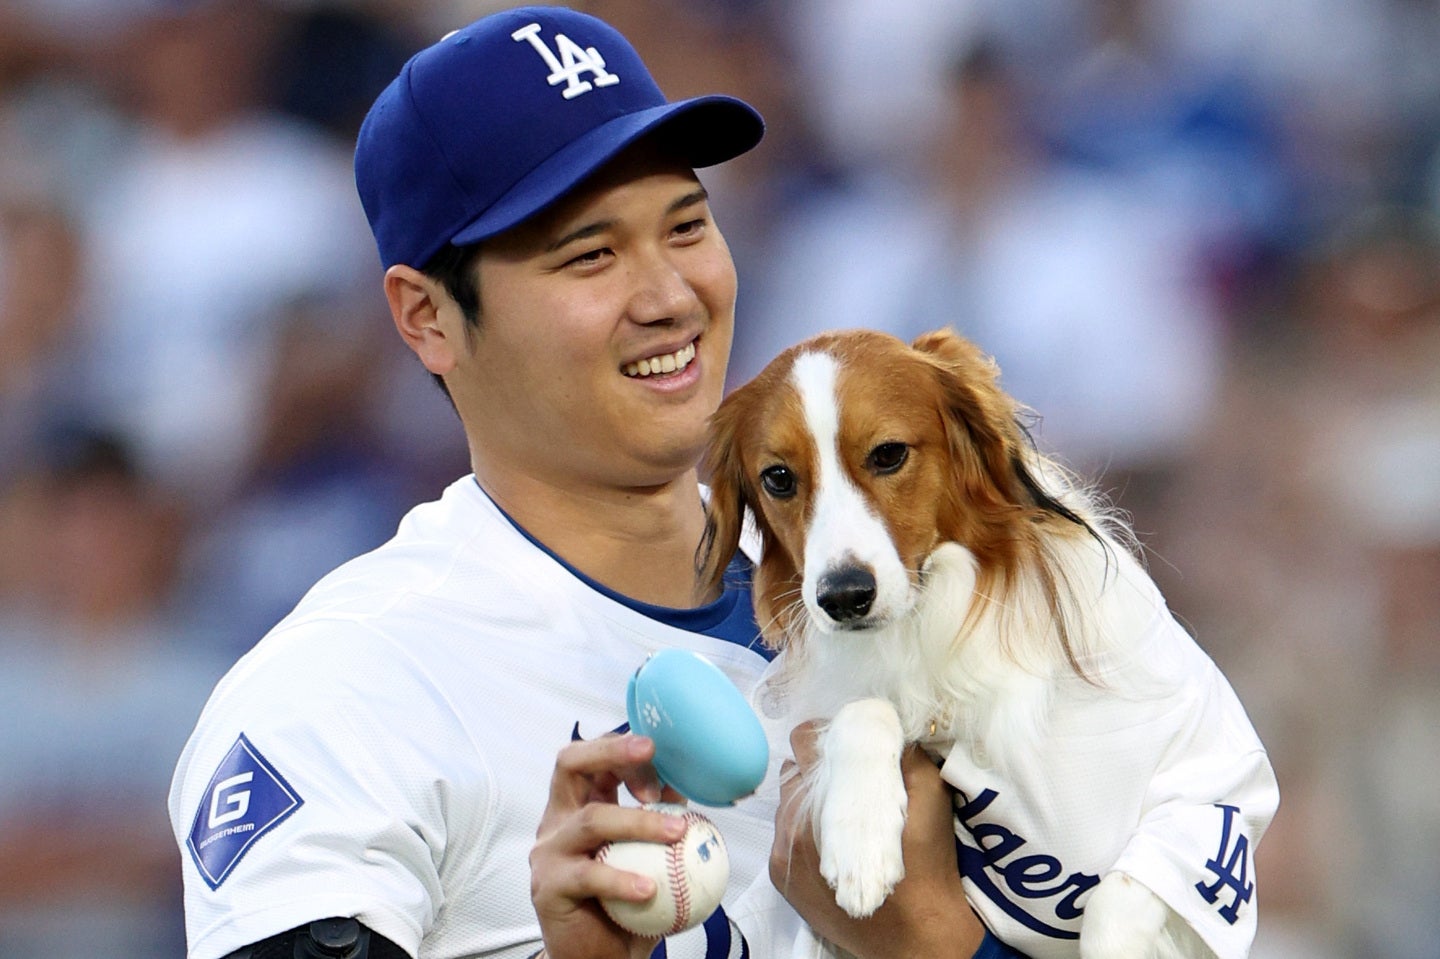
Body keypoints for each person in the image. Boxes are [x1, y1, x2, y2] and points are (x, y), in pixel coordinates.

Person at [168, 7, 1009, 959]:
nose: (667, 296)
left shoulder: (911, 595)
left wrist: (937, 942)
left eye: (686, 224)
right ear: (427, 315)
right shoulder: (350, 689)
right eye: (591, 255)